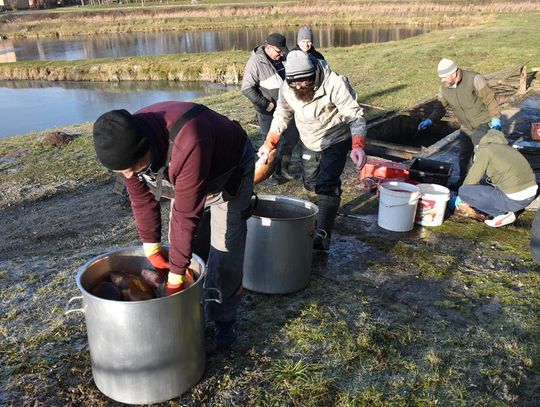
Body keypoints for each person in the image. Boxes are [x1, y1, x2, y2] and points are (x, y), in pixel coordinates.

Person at [92, 101, 255, 348]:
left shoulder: (188, 140)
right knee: (184, 250)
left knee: (225, 248)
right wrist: (151, 248)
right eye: (120, 171)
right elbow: (142, 199)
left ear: (144, 146)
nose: (127, 175)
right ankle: (191, 311)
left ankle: (223, 321)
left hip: (228, 175)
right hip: (187, 178)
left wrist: (176, 277)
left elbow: (186, 214)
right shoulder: (125, 142)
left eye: (131, 169)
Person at [258, 50, 367, 251]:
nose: (299, 87)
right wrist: (269, 142)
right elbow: (282, 115)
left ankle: (322, 234)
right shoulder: (287, 88)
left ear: (313, 76)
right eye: (295, 83)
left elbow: (354, 114)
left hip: (335, 137)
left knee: (326, 182)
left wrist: (357, 145)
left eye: (304, 83)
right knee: (310, 182)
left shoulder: (335, 83)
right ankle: (320, 213)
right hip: (308, 138)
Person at [417, 58, 502, 187]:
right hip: (466, 126)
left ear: (454, 73)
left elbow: (490, 100)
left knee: (482, 155)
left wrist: (495, 118)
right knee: (464, 155)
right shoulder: (444, 87)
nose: (442, 80)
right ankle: (463, 181)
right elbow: (440, 108)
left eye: (444, 77)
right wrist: (430, 119)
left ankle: (487, 183)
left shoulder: (474, 79)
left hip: (483, 122)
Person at [242, 32, 300, 185]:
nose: (281, 54)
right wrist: (267, 104)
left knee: (291, 138)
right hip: (268, 112)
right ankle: (267, 175)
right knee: (269, 145)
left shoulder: (284, 58)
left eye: (283, 51)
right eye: (278, 51)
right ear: (268, 47)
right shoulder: (255, 62)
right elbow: (247, 88)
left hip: (288, 108)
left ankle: (282, 170)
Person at [455, 129, 537, 227]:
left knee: (464, 191)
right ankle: (506, 208)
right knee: (487, 185)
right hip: (530, 194)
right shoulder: (507, 148)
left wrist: (463, 198)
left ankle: (502, 214)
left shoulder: (485, 150)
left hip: (514, 200)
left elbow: (471, 180)